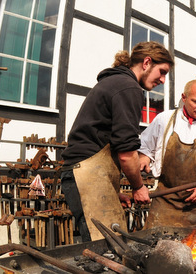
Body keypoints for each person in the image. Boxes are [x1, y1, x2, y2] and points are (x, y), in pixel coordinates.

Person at [60, 41, 174, 241]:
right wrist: (138, 187)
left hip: (86, 174)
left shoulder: (116, 83)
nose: (163, 80)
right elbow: (127, 153)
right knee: (108, 251)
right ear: (147, 62)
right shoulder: (128, 87)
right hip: (85, 175)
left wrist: (112, 192)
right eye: (162, 72)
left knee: (113, 248)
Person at [138, 79, 196, 229]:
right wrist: (144, 156)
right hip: (164, 201)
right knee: (155, 245)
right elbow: (146, 144)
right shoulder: (164, 119)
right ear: (184, 98)